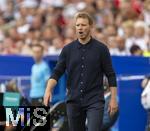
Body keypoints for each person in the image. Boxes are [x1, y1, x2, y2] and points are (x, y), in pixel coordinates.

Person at [44, 12, 118, 131]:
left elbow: (111, 75)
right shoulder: (67, 50)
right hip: (74, 101)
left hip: (95, 100)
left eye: (83, 25)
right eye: (77, 25)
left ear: (90, 26)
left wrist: (113, 99)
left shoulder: (101, 49)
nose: (80, 28)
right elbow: (57, 72)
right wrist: (48, 89)